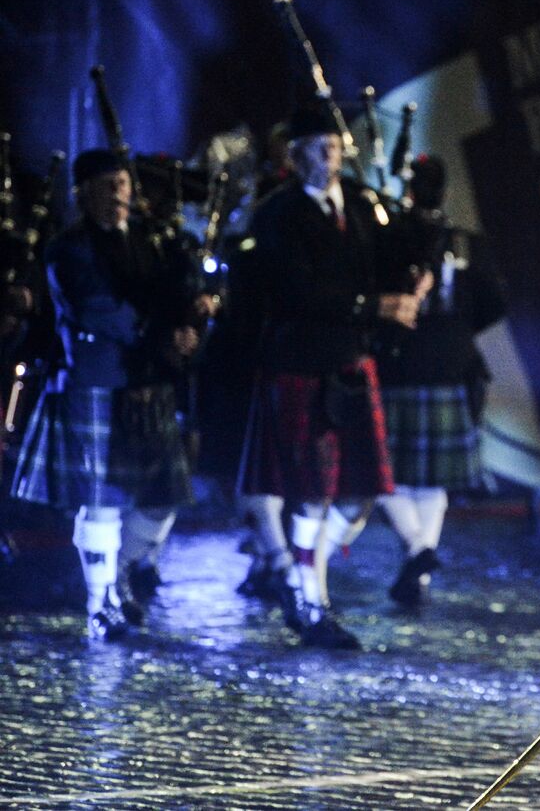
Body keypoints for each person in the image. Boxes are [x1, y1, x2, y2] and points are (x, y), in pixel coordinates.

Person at [236, 102, 425, 649]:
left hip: (351, 362)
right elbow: (298, 292)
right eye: (319, 149)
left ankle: (304, 578)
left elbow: (396, 257)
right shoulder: (279, 215)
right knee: (311, 494)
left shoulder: (362, 207)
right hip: (300, 364)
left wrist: (419, 269)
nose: (330, 157)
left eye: (336, 148)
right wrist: (377, 306)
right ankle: (310, 601)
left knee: (359, 494)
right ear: (295, 159)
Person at [11, 149, 210, 640]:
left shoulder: (152, 241)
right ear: (83, 195)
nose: (118, 194)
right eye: (105, 186)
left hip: (148, 380)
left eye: (122, 184)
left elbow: (171, 294)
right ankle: (100, 603)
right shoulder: (67, 248)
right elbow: (99, 309)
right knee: (100, 503)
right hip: (95, 380)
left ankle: (119, 569)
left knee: (163, 500)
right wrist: (163, 334)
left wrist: (193, 313)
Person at [373, 154, 506, 606]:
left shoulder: (388, 236)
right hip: (445, 365)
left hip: (400, 363)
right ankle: (422, 557)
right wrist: (456, 334)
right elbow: (494, 302)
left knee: (391, 477)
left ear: (407, 190)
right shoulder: (464, 241)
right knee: (423, 483)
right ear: (444, 192)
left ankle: (420, 558)